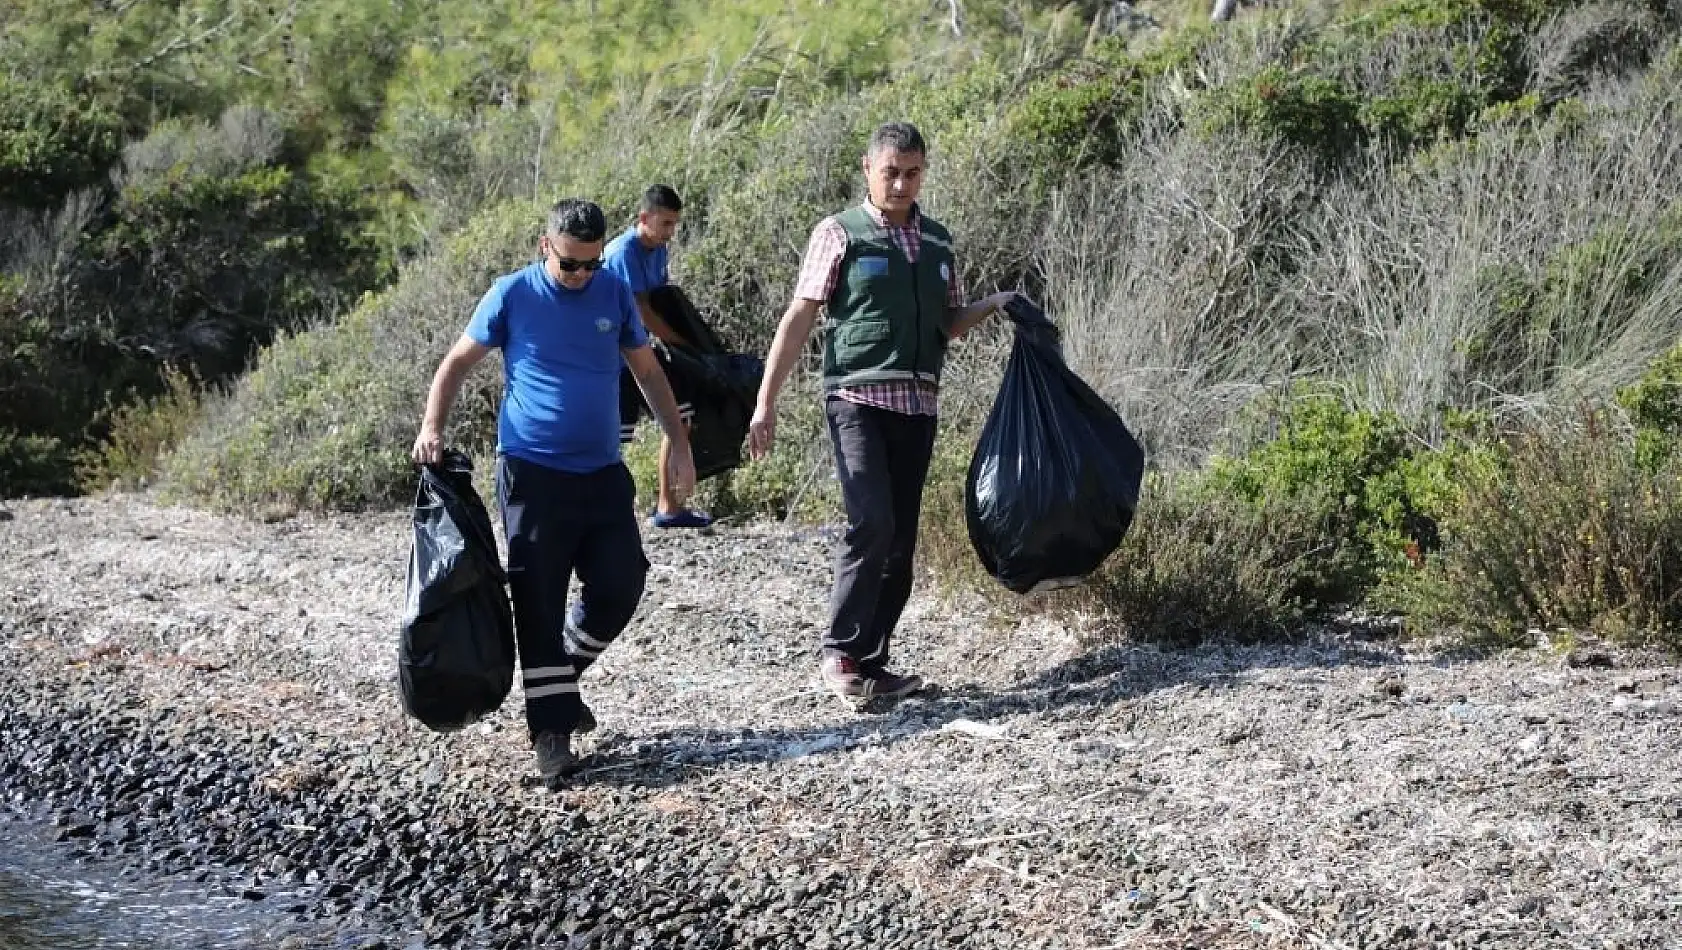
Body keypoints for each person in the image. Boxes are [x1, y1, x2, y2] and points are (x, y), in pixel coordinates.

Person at [412, 198, 695, 788]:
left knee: (622, 582)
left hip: (601, 472)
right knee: (537, 599)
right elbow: (455, 365)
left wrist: (679, 439)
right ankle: (551, 735)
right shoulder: (511, 295)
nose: (583, 276)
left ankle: (558, 674)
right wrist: (432, 427)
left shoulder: (613, 290)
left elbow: (646, 369)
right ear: (547, 247)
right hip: (532, 474)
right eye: (572, 265)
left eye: (591, 265)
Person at [748, 122, 1016, 703]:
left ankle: (872, 660)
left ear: (924, 173)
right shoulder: (839, 234)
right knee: (870, 523)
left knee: (899, 538)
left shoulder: (939, 242)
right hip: (857, 400)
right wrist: (765, 401)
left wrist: (994, 304)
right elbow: (799, 318)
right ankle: (839, 650)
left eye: (912, 173)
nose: (901, 183)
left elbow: (948, 323)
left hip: (918, 405)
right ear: (868, 170)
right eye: (890, 172)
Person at [605, 184, 712, 529]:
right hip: (615, 358)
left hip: (644, 354)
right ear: (644, 218)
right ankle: (605, 512)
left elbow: (662, 298)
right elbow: (640, 309)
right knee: (614, 438)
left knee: (680, 415)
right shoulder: (623, 252)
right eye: (665, 224)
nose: (670, 232)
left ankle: (669, 505)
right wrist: (677, 341)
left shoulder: (658, 251)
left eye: (674, 224)